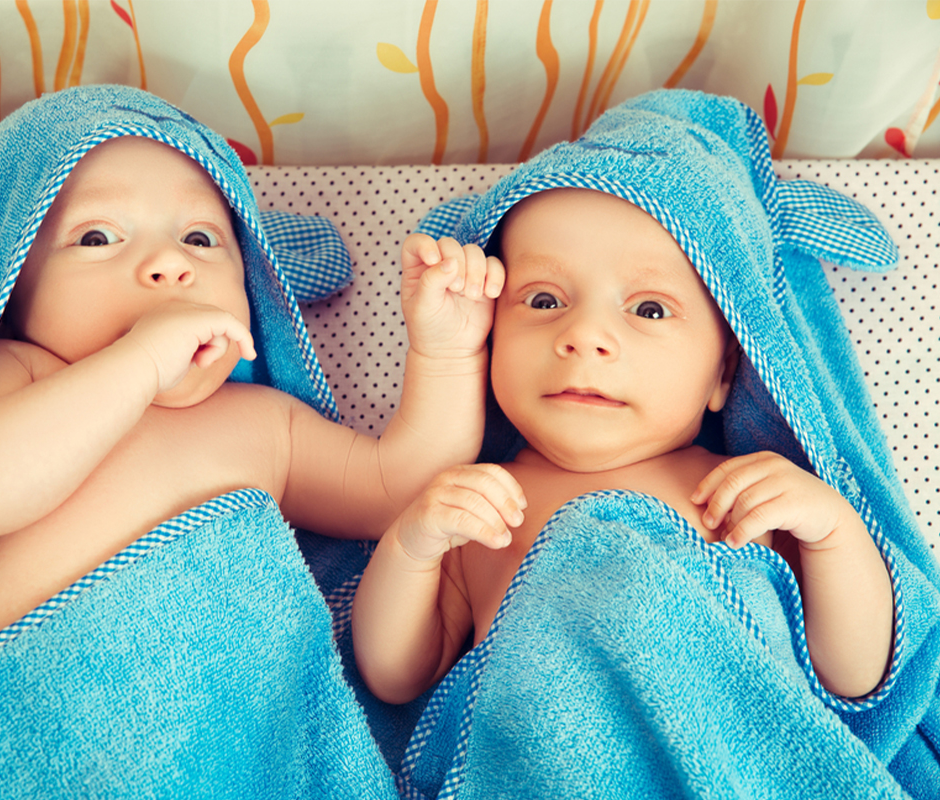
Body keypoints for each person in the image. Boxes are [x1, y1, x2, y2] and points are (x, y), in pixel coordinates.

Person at [0, 133, 503, 668]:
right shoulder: (17, 371)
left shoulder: (266, 425)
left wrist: (449, 356)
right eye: (97, 237)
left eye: (199, 239)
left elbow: (398, 489)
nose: (171, 265)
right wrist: (143, 362)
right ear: (8, 291)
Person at [351, 186, 894, 705]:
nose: (585, 334)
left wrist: (832, 531)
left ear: (724, 372)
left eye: (649, 310)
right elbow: (396, 678)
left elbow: (850, 673)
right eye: (544, 300)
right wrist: (411, 546)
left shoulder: (752, 493)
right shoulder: (480, 509)